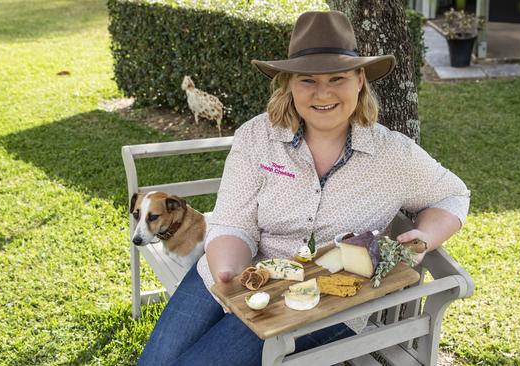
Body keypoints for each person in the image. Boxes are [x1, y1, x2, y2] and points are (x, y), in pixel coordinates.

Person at [137, 10, 470, 366]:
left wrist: (423, 237)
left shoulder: (392, 154)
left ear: (360, 79)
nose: (322, 92)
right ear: (289, 83)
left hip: (326, 304)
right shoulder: (257, 138)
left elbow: (453, 194)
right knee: (155, 362)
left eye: (337, 78)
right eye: (307, 80)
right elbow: (234, 222)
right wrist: (229, 274)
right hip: (230, 274)